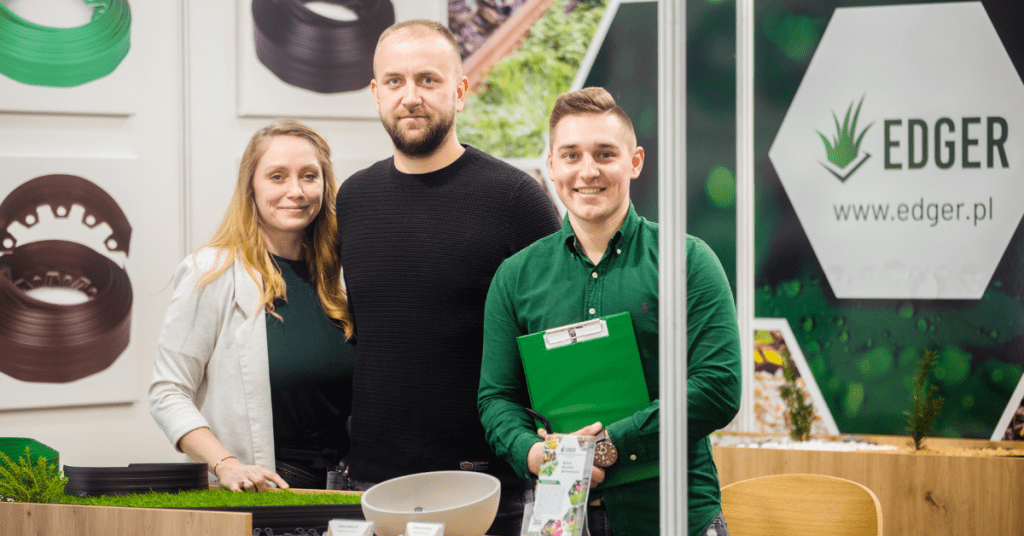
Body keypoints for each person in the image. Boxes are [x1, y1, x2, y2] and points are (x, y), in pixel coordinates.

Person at [478, 87, 742, 536]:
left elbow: (719, 385)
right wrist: (530, 452)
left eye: (605, 154)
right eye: (571, 155)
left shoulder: (688, 261)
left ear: (635, 161)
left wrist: (612, 444)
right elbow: (496, 399)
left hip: (674, 518)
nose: (588, 171)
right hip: (562, 520)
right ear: (552, 165)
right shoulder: (515, 277)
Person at [335, 19, 561, 536]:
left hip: (481, 488)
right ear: (375, 94)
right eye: (394, 81)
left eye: (428, 80)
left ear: (460, 92)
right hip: (372, 488)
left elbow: (552, 342)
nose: (410, 96)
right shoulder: (353, 199)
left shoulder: (515, 200)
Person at [150, 119, 356, 492]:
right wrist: (226, 464)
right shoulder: (211, 273)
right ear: (251, 187)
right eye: (277, 176)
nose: (296, 190)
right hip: (262, 491)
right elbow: (167, 392)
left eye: (309, 176)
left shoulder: (338, 278)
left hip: (338, 493)